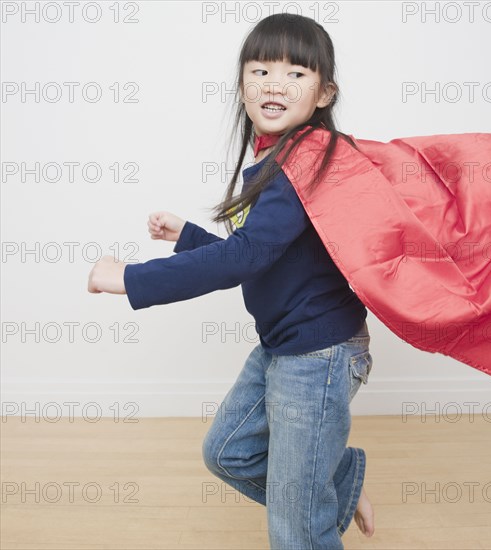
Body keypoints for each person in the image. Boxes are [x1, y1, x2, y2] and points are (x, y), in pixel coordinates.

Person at [87, 13, 376, 549]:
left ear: (325, 93)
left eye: (295, 74)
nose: (274, 82)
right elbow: (262, 257)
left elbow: (247, 258)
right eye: (260, 70)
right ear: (241, 86)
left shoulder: (304, 162)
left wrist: (129, 278)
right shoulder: (276, 160)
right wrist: (189, 237)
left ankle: (314, 494)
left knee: (296, 529)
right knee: (228, 452)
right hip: (284, 345)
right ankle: (333, 479)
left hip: (319, 355)